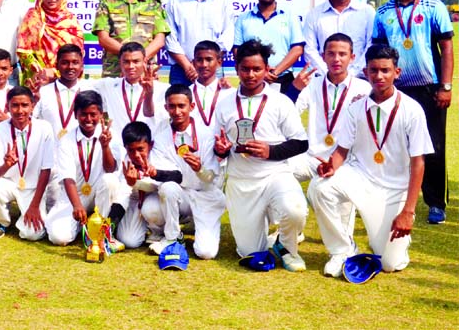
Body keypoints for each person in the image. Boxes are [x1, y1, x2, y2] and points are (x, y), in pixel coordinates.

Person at [308, 44, 432, 277]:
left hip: (394, 191)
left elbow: (418, 162)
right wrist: (330, 166)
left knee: (389, 263)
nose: (379, 76)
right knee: (319, 186)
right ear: (365, 72)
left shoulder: (412, 110)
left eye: (385, 70)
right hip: (360, 179)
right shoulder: (356, 108)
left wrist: (408, 211)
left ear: (397, 72)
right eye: (374, 70)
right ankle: (342, 250)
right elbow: (342, 151)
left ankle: (393, 245)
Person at [213, 39, 309, 271]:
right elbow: (217, 145)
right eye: (245, 68)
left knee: (295, 208)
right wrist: (221, 150)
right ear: (237, 69)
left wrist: (271, 151)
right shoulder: (224, 104)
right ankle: (268, 238)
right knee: (250, 253)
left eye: (257, 69)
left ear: (267, 70)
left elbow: (301, 143)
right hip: (241, 180)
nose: (251, 74)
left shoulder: (280, 101)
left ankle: (287, 247)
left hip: (275, 174)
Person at [373, 0, 453, 225]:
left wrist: (446, 86)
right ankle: (391, 199)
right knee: (393, 144)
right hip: (396, 90)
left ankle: (435, 203)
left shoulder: (434, 6)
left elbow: (447, 48)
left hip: (430, 89)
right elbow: (377, 53)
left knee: (433, 146)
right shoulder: (383, 13)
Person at [149, 84, 226, 258]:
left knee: (206, 253)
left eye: (181, 106)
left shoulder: (207, 135)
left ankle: (203, 225)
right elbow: (166, 177)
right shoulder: (161, 138)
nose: (177, 111)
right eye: (172, 106)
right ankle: (173, 237)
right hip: (180, 195)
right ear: (166, 107)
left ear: (191, 107)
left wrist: (199, 169)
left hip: (206, 196)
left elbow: (210, 179)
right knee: (165, 191)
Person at [45, 90, 128, 248]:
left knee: (110, 180)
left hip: (100, 192)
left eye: (93, 114)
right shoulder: (66, 141)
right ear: (75, 114)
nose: (88, 119)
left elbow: (110, 169)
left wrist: (105, 147)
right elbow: (68, 178)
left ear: (101, 115)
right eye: (83, 114)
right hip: (75, 194)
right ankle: (83, 221)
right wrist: (77, 205)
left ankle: (101, 229)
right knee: (59, 238)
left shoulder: (112, 136)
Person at [286, 33, 372, 182]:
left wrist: (362, 109)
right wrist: (294, 89)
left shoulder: (364, 88)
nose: (336, 59)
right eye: (331, 54)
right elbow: (286, 114)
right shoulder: (311, 84)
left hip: (346, 161)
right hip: (311, 158)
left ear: (352, 58)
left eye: (342, 54)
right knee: (275, 172)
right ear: (323, 56)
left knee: (325, 194)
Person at [0, 86, 55, 240]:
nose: (20, 110)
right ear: (8, 107)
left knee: (33, 235)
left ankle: (27, 212)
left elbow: (46, 170)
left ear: (32, 106)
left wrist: (34, 206)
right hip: (9, 184)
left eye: (24, 105)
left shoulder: (44, 128)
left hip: (34, 188)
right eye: (15, 105)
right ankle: (2, 222)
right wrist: (6, 166)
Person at [93, 0, 170, 77]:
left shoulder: (153, 4)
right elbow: (103, 38)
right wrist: (128, 57)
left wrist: (139, 58)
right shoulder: (107, 2)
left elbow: (160, 40)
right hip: (115, 71)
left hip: (145, 70)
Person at [164, 0, 235, 85]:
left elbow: (228, 36)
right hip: (182, 70)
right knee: (178, 105)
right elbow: (170, 38)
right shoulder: (175, 2)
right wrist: (188, 66)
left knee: (214, 105)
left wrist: (207, 62)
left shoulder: (223, 2)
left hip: (214, 70)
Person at [233, 0, 305, 94]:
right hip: (251, 80)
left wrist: (273, 72)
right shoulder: (243, 18)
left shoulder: (290, 16)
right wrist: (260, 73)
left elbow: (297, 49)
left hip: (282, 79)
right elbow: (237, 50)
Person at [116, 121, 182, 249]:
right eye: (131, 150)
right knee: (129, 241)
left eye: (141, 149)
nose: (136, 155)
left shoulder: (157, 155)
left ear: (150, 145)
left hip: (157, 199)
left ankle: (165, 233)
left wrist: (156, 173)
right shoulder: (126, 161)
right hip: (137, 201)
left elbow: (178, 177)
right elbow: (123, 194)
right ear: (125, 147)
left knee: (151, 207)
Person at [303, 0, 375, 77]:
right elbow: (309, 49)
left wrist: (352, 74)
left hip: (360, 79)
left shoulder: (367, 12)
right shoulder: (314, 14)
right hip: (324, 80)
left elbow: (371, 45)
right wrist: (328, 73)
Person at [94, 41, 168, 153]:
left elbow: (150, 114)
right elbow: (77, 86)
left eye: (136, 61)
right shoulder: (108, 85)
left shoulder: (162, 89)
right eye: (126, 62)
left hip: (150, 152)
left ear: (145, 62)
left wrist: (149, 93)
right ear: (120, 63)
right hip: (119, 152)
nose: (131, 66)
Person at [16, 0, 84, 89]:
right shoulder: (32, 17)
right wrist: (41, 71)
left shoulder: (71, 20)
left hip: (65, 77)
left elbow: (78, 53)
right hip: (38, 79)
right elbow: (24, 52)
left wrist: (56, 72)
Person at [33, 44, 91, 139]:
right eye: (65, 63)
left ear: (81, 65)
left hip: (80, 149)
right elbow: (32, 120)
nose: (70, 67)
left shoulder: (89, 90)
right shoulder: (43, 92)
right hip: (50, 149)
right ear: (57, 65)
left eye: (75, 62)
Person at [189, 40, 233, 128]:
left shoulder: (229, 93)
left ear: (219, 63)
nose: (204, 65)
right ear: (193, 63)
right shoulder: (187, 92)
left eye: (209, 60)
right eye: (199, 60)